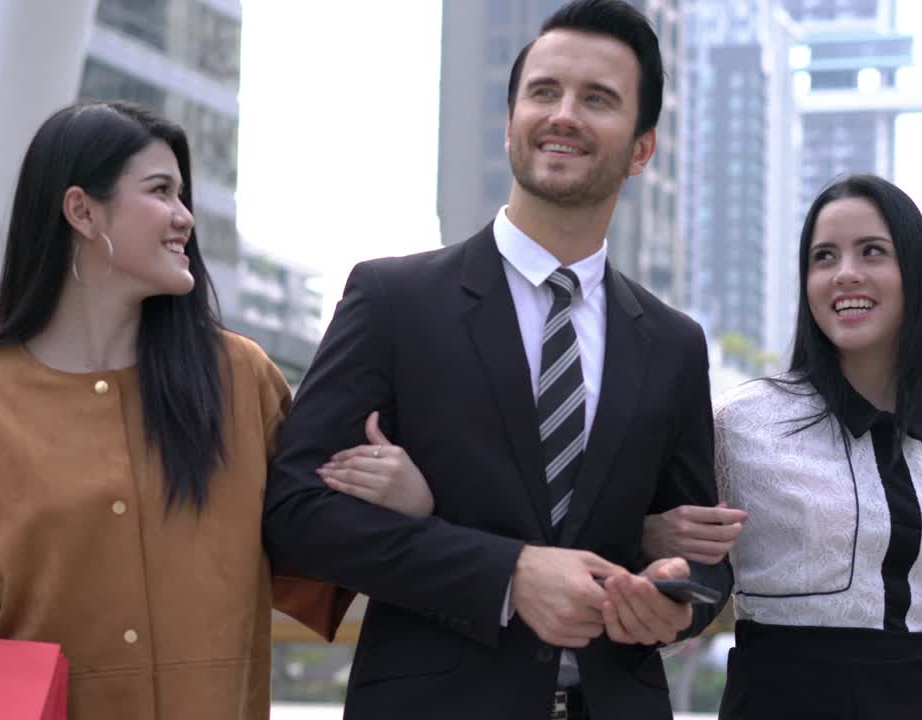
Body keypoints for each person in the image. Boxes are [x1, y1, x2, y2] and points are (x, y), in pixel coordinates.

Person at [0, 100, 424, 720]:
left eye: (184, 196)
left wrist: (406, 502)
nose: (184, 218)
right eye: (161, 191)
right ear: (81, 210)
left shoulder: (241, 378)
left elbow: (313, 548)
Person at [263, 2, 732, 718]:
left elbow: (702, 552)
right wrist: (507, 575)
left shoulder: (672, 343)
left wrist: (677, 599)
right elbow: (296, 512)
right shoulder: (394, 300)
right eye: (544, 92)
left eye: (597, 99)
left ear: (642, 149)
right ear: (510, 120)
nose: (564, 115)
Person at [642, 174, 922, 719]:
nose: (845, 274)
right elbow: (672, 589)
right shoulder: (740, 423)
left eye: (872, 251)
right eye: (824, 257)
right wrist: (647, 543)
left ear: (915, 274)